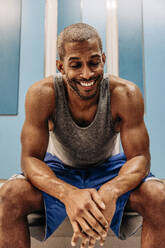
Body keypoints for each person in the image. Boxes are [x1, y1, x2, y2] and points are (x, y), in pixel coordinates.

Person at [0, 23, 165, 248]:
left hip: (109, 169)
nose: (87, 74)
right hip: (60, 169)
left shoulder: (126, 94)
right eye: (76, 65)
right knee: (8, 195)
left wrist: (111, 190)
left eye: (94, 62)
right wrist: (68, 194)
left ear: (103, 60)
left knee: (159, 196)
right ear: (60, 66)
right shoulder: (42, 94)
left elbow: (140, 158)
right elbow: (30, 159)